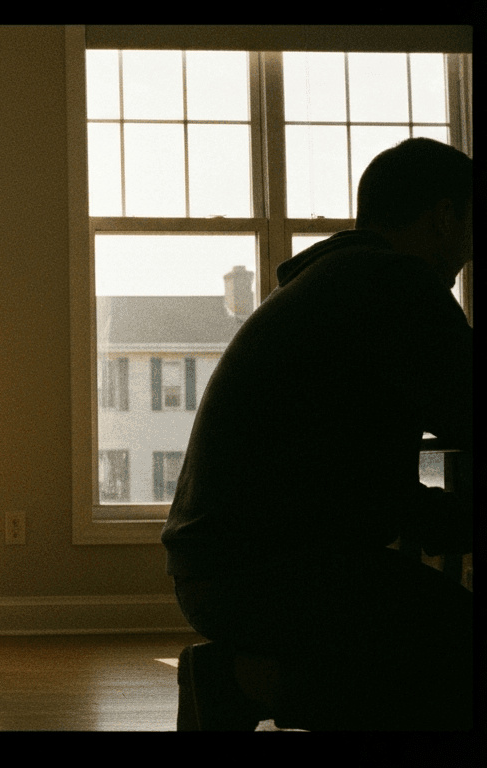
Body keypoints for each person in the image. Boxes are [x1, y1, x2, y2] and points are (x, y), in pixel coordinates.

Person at [162, 138, 473, 730]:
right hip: (274, 575)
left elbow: (348, 478)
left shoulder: (329, 281)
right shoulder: (399, 284)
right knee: (458, 662)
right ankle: (245, 683)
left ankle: (242, 680)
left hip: (217, 571)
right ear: (445, 216)